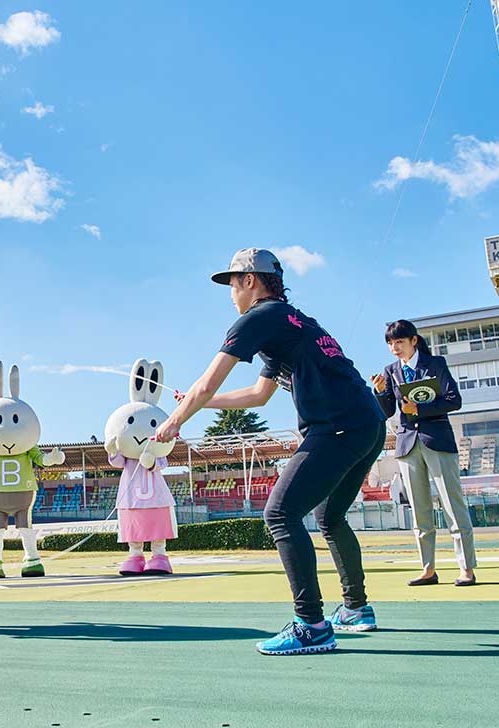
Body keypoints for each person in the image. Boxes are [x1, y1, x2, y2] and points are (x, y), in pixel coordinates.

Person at [154, 248, 386, 655]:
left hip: (337, 424)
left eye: (231, 283)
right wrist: (198, 403)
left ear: (249, 280)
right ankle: (355, 610)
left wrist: (176, 420)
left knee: (279, 513)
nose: (229, 293)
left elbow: (206, 382)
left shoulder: (257, 318)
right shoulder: (291, 320)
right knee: (329, 516)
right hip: (367, 422)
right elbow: (259, 396)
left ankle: (311, 624)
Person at [373, 320, 477, 587]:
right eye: (390, 344)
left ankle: (466, 568)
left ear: (413, 341)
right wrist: (381, 393)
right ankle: (427, 568)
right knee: (419, 510)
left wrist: (418, 411)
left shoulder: (435, 365)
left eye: (399, 342)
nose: (394, 348)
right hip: (407, 445)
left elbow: (454, 400)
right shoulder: (390, 371)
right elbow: (386, 412)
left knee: (453, 506)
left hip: (437, 440)